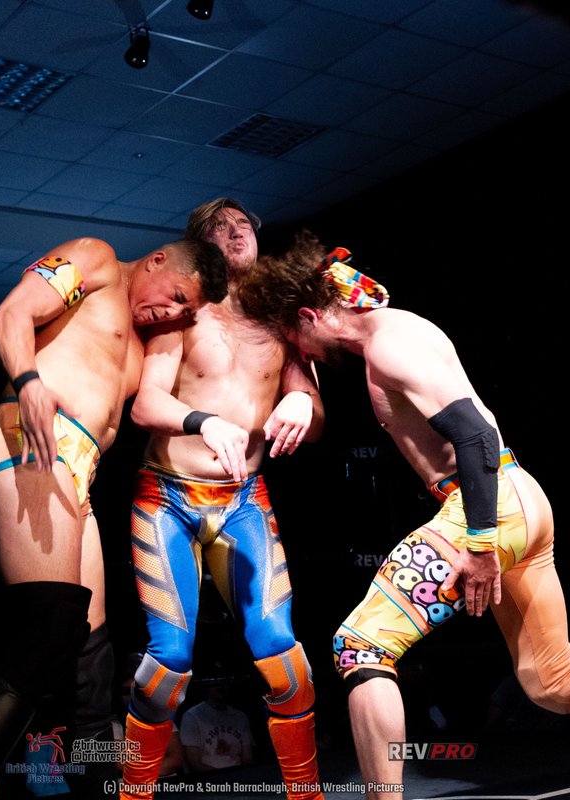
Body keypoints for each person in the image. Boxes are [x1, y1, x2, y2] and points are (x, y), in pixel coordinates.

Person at [235, 231, 570, 800]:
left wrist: (480, 545)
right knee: (555, 681)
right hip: (521, 497)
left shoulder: (387, 347)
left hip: (488, 507)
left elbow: (475, 436)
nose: (302, 354)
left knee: (361, 647)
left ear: (310, 314)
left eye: (296, 338)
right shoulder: (399, 326)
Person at [0, 235, 227, 800]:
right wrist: (29, 382)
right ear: (158, 261)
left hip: (80, 471)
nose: (171, 313)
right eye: (175, 297)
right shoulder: (97, 259)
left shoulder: (147, 341)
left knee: (90, 655)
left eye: (183, 312)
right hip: (32, 439)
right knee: (46, 621)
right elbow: (11, 314)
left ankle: (92, 787)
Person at [122, 198, 325, 800]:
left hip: (244, 500)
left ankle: (306, 793)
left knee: (283, 657)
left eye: (244, 227)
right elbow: (146, 404)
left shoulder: (284, 321)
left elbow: (315, 422)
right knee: (168, 663)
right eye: (220, 228)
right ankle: (134, 791)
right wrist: (202, 421)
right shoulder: (182, 311)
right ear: (201, 244)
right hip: (169, 498)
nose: (235, 234)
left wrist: (301, 401)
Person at [179, 681, 254, 774]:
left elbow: (247, 758)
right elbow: (194, 763)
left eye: (223, 682)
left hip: (238, 778)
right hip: (208, 780)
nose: (220, 687)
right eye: (215, 683)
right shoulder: (192, 716)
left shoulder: (240, 717)